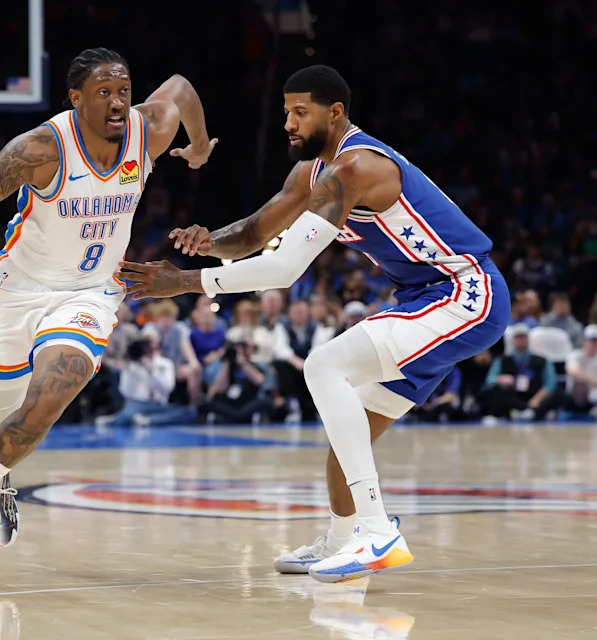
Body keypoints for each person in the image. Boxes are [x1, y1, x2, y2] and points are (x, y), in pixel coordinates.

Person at [118, 65, 510, 582]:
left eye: (300, 112)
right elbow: (256, 232)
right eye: (285, 112)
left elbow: (284, 268)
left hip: (465, 292)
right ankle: (343, 539)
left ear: (336, 112)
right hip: (426, 297)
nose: (289, 123)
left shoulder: (356, 169)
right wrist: (207, 243)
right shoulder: (311, 174)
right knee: (348, 442)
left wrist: (189, 282)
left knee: (324, 366)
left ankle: (377, 532)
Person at [0, 48, 217, 573]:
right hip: (18, 291)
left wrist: (197, 146)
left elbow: (181, 88)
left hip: (90, 295)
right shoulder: (39, 150)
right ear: (75, 98)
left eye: (124, 91)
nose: (117, 102)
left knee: (45, 404)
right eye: (103, 92)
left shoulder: (146, 130)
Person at [110, 327, 195, 427]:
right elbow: (125, 391)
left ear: (157, 343)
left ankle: (148, 420)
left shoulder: (165, 364)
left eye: (150, 342)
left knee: (189, 412)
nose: (148, 346)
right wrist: (129, 371)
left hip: (159, 404)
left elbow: (167, 389)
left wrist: (151, 370)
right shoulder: (132, 364)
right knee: (127, 416)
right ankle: (140, 419)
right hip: (138, 403)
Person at [480, 323, 557, 421]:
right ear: (513, 340)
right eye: (518, 337)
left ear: (528, 339)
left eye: (523, 337)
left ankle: (532, 411)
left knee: (558, 394)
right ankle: (515, 411)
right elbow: (489, 379)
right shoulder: (502, 360)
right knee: (496, 391)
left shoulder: (541, 360)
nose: (521, 340)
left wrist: (537, 398)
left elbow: (550, 384)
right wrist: (500, 379)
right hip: (511, 395)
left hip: (534, 395)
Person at [204, 338, 275, 424]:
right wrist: (226, 362)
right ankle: (239, 418)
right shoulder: (225, 366)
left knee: (265, 402)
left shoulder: (255, 365)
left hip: (247, 403)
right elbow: (219, 390)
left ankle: (229, 419)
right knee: (211, 403)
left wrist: (243, 363)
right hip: (229, 404)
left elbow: (260, 381)